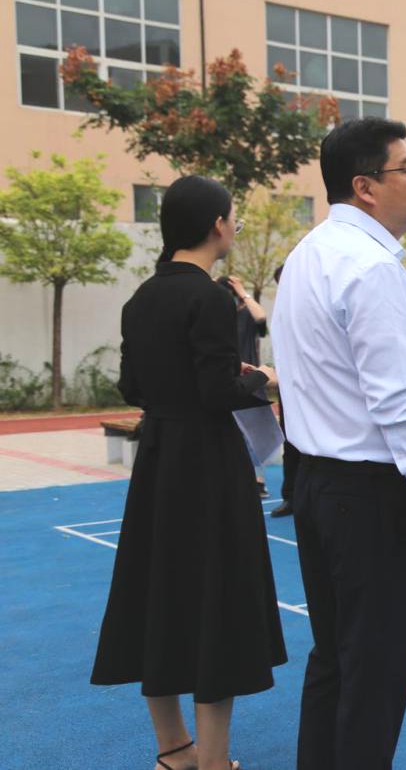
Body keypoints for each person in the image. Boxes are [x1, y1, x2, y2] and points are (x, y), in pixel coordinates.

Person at [272, 117, 406, 768]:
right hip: (368, 490)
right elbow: (394, 400)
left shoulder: (309, 254)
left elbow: (340, 374)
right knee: (374, 668)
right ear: (365, 186)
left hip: (316, 480)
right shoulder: (371, 267)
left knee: (335, 656)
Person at [90, 175, 286, 770]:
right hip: (207, 463)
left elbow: (132, 385)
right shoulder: (210, 298)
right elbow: (216, 389)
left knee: (160, 595)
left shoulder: (141, 299)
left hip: (158, 461)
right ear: (216, 225)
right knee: (215, 601)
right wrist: (262, 379)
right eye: (234, 218)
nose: (234, 228)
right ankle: (214, 761)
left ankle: (175, 750)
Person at [217, 274, 271, 496]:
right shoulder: (214, 317)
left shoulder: (246, 314)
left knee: (251, 435)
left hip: (248, 380)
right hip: (222, 380)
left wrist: (242, 291)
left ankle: (257, 480)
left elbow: (261, 317)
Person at [272, 263, 299, 518]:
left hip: (316, 386)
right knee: (290, 442)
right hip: (289, 386)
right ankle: (290, 496)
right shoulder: (282, 313)